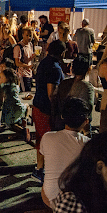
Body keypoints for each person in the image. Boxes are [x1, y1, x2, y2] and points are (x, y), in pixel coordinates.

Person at [40, 98, 90, 209]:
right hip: (75, 201)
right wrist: (86, 132)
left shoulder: (48, 137)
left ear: (63, 117)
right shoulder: (88, 144)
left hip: (50, 197)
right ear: (86, 121)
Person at [31, 40, 66, 182]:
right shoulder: (55, 68)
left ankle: (40, 168)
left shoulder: (44, 62)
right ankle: (43, 170)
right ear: (62, 53)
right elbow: (51, 93)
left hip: (37, 104)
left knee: (41, 139)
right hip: (46, 109)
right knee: (47, 140)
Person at [53, 56, 94, 132]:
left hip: (61, 121)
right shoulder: (87, 87)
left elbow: (55, 99)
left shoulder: (64, 83)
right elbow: (88, 108)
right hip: (78, 125)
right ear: (88, 69)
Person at [0, 68, 30, 140]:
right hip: (18, 107)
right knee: (26, 106)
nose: (0, 79)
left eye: (2, 77)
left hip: (10, 109)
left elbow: (2, 98)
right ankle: (24, 119)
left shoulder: (4, 88)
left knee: (9, 124)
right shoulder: (16, 86)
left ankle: (23, 130)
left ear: (7, 78)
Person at [13, 26, 34, 94]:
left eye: (30, 35)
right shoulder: (19, 47)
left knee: (28, 93)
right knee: (24, 94)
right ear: (23, 35)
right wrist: (27, 66)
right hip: (22, 75)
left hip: (29, 73)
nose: (29, 37)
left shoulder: (30, 44)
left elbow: (28, 58)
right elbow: (17, 63)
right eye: (27, 35)